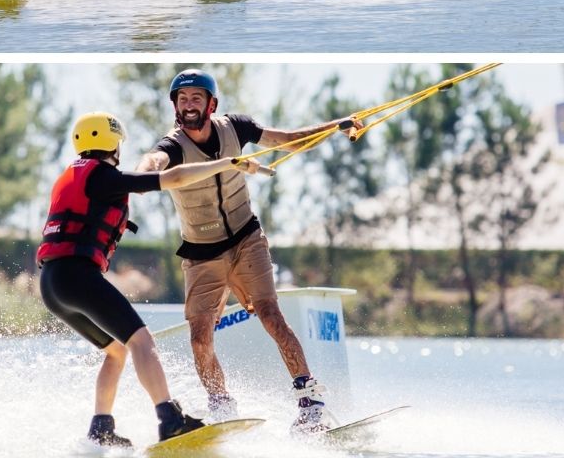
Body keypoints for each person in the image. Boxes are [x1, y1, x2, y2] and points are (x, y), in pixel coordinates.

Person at [136, 70, 363, 433]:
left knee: (272, 315)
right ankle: (221, 404)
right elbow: (151, 163)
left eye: (197, 98)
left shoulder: (236, 128)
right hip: (201, 254)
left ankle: (310, 401)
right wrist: (140, 173)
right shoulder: (172, 146)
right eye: (182, 99)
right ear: (175, 106)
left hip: (246, 240)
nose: (189, 105)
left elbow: (288, 140)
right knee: (200, 336)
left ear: (211, 104)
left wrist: (338, 124)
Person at [38, 110, 270, 447]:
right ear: (113, 143)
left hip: (52, 285)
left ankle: (101, 428)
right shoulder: (105, 178)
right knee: (142, 342)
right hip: (77, 276)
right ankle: (170, 419)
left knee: (117, 350)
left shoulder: (72, 176)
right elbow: (174, 178)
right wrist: (226, 163)